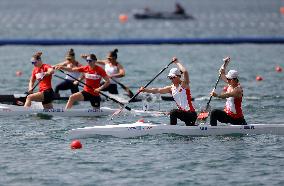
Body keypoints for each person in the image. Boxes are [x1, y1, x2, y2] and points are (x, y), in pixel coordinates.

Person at [139, 57, 197, 126]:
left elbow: (185, 72)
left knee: (173, 112)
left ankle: (172, 128)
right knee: (173, 113)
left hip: (191, 114)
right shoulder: (171, 88)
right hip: (184, 115)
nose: (171, 79)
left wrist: (177, 62)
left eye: (173, 77)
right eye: (170, 77)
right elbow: (158, 90)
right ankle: (174, 128)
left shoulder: (184, 85)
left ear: (178, 76)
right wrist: (145, 90)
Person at [210, 61, 247, 126]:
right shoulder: (230, 84)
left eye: (228, 79)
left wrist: (217, 95)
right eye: (227, 79)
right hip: (227, 115)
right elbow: (221, 73)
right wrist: (225, 63)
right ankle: (212, 129)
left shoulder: (238, 90)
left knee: (214, 112)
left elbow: (228, 95)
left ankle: (212, 130)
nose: (227, 80)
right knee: (214, 113)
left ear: (234, 80)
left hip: (236, 118)